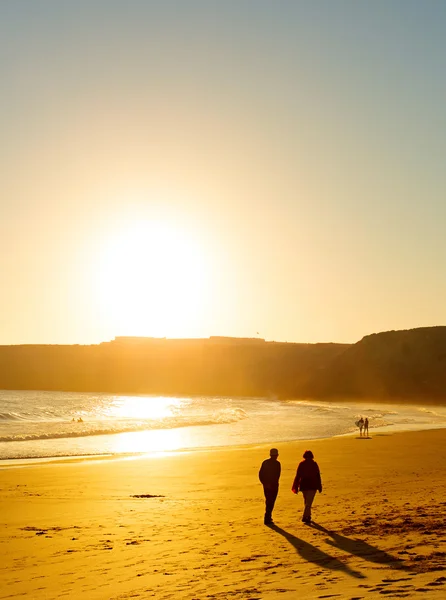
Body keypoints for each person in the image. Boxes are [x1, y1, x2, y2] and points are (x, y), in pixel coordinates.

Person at [292, 450, 322, 524]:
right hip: (311, 485)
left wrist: (295, 486)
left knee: (307, 502)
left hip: (305, 485)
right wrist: (319, 485)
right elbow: (318, 475)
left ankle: (308, 516)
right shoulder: (314, 464)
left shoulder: (302, 464)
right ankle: (305, 516)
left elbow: (298, 475)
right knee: (308, 502)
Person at [259, 448, 281, 525]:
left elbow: (261, 475)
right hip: (273, 486)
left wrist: (265, 483)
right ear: (277, 455)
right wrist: (267, 484)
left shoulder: (265, 462)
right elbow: (277, 476)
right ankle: (267, 517)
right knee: (270, 501)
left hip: (268, 486)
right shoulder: (277, 464)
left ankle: (268, 517)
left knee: (269, 501)